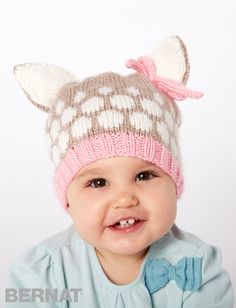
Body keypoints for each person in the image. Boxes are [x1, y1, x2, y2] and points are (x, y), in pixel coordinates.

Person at [6, 36, 234, 307]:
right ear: (68, 201)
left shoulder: (197, 267)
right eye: (98, 182)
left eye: (144, 176)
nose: (125, 198)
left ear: (175, 183)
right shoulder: (40, 274)